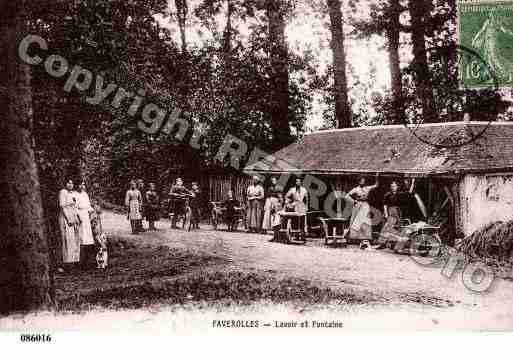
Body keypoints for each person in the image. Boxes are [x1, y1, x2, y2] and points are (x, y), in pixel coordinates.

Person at [346, 175, 379, 242]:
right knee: (356, 220)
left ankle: (365, 237)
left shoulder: (367, 188)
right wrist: (354, 201)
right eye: (361, 181)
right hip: (358, 205)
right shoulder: (356, 189)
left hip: (365, 205)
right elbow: (346, 196)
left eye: (363, 181)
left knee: (366, 220)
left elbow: (376, 185)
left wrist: (377, 177)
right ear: (358, 182)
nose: (362, 182)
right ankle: (354, 238)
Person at [58, 179, 81, 272]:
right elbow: (63, 207)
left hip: (73, 217)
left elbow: (75, 207)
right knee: (67, 240)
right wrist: (68, 219)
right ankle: (66, 264)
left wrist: (77, 217)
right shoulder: (63, 192)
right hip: (65, 218)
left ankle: (74, 262)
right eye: (68, 182)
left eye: (72, 183)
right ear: (65, 184)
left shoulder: (73, 193)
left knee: (74, 240)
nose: (70, 184)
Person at [75, 180, 96, 269]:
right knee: (82, 238)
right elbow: (75, 207)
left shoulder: (85, 194)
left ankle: (89, 261)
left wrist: (94, 211)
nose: (82, 186)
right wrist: (78, 217)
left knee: (88, 238)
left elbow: (88, 206)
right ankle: (81, 262)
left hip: (86, 216)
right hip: (80, 216)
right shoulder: (76, 194)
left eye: (83, 184)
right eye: (80, 184)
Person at [377, 181, 403, 248]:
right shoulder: (388, 194)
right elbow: (385, 205)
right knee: (387, 227)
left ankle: (392, 244)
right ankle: (382, 243)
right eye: (392, 186)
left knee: (396, 228)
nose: (393, 188)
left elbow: (409, 193)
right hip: (390, 211)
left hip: (398, 212)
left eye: (394, 186)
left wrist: (412, 183)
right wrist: (386, 213)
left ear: (397, 187)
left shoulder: (400, 194)